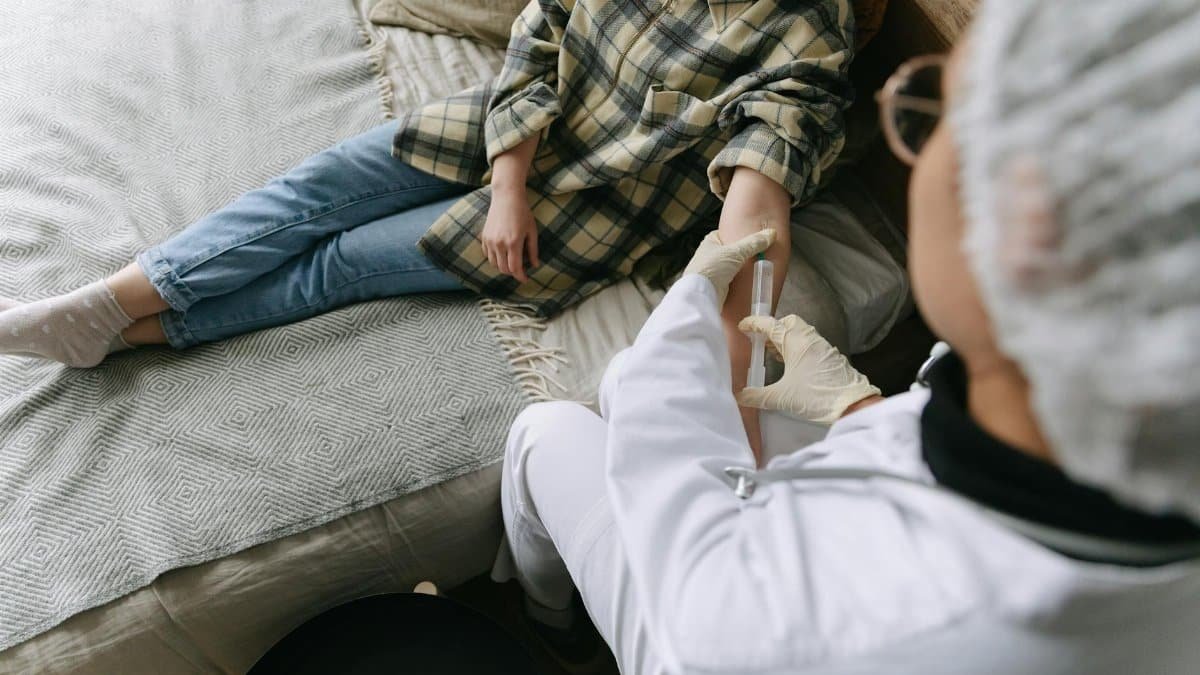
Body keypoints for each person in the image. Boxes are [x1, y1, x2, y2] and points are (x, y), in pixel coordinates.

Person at [492, 1, 1200, 672]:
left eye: (934, 112)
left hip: (699, 635)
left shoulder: (775, 619)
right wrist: (859, 407)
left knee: (548, 429)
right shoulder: (1134, 402)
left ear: (1025, 222)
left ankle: (551, 621)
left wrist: (691, 310)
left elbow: (703, 606)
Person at [0, 0, 854, 454]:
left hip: (580, 216)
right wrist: (510, 174)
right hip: (502, 129)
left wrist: (745, 385)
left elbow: (756, 221)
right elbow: (540, 29)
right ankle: (108, 300)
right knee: (316, 185)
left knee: (338, 262)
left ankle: (128, 331)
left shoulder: (804, 35)